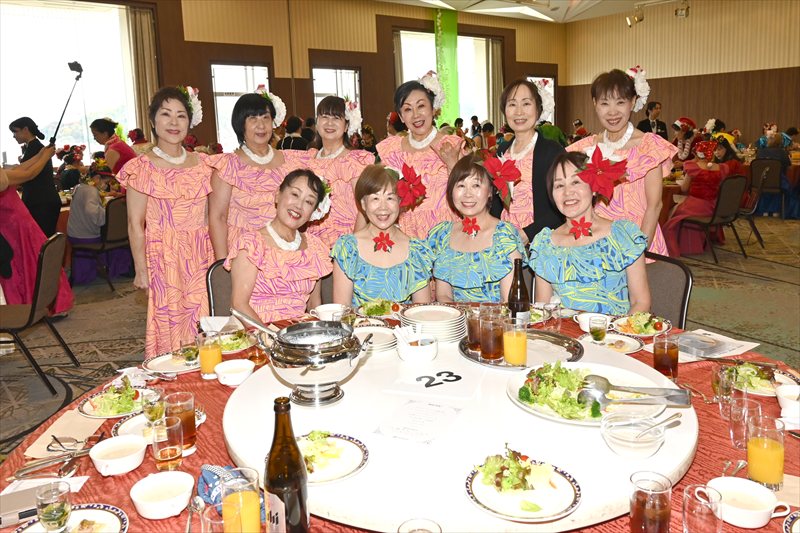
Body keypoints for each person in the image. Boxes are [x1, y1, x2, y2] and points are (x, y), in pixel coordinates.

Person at [118, 86, 214, 357]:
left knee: (206, 323)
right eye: (166, 114)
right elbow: (135, 223)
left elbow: (212, 216)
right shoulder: (141, 168)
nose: (174, 122)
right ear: (153, 120)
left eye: (181, 115)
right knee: (171, 325)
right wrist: (141, 270)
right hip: (165, 256)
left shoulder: (205, 164)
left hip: (201, 254)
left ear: (189, 122)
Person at [567, 68, 677, 256]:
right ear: (595, 104)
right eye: (604, 103)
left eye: (620, 102)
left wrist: (638, 253)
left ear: (633, 102)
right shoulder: (583, 149)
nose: (612, 112)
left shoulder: (649, 147)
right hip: (593, 241)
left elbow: (654, 206)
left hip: (638, 239)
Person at [530, 151, 650, 315]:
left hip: (616, 329)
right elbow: (543, 311)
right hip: (563, 330)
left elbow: (641, 302)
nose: (567, 192)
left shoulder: (623, 235)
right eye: (559, 185)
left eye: (576, 182)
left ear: (594, 188)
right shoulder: (545, 244)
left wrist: (618, 331)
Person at [208, 90, 307, 259]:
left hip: (285, 252)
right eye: (253, 118)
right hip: (244, 256)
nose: (261, 125)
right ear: (241, 124)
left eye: (265, 118)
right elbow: (218, 218)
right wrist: (221, 264)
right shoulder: (228, 166)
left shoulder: (291, 162)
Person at [227, 169, 332, 325]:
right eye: (295, 194)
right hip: (257, 332)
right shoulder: (251, 244)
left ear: (313, 211)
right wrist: (272, 337)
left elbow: (313, 306)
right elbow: (239, 305)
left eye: (309, 202)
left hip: (298, 333)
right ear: (278, 194)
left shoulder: (315, 248)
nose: (299, 205)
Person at [376, 71, 466, 239]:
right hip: (405, 235)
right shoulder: (392, 150)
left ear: (433, 108)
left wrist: (452, 164)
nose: (416, 115)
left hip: (447, 235)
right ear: (401, 117)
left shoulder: (451, 146)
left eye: (421, 106)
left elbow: (469, 193)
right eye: (407, 109)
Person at [428, 153, 525, 303]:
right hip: (454, 317)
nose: (468, 194)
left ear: (490, 191)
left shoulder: (504, 236)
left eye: (476, 185)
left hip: (496, 317)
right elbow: (443, 296)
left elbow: (508, 301)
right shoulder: (443, 235)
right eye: (461, 185)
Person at [332, 165, 432, 306]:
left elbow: (421, 311)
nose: (383, 207)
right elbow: (342, 310)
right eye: (375, 199)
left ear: (400, 202)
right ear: (363, 204)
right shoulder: (347, 249)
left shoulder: (417, 251)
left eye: (390, 198)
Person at [0, 144, 74, 315]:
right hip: (14, 227)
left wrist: (41, 154)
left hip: (18, 224)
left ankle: (42, 304)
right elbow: (28, 174)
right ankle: (38, 306)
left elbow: (19, 169)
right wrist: (45, 157)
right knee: (31, 263)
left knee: (33, 262)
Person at [492, 78, 565, 245]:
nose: (519, 112)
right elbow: (496, 204)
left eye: (526, 104)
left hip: (540, 244)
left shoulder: (552, 151)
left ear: (538, 109)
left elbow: (563, 203)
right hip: (504, 243)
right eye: (512, 104)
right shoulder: (502, 151)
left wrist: (528, 234)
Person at [305, 96, 375, 248]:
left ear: (346, 126)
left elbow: (365, 207)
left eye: (336, 118)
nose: (329, 123)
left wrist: (351, 247)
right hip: (312, 244)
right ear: (317, 123)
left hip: (346, 243)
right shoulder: (308, 159)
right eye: (324, 117)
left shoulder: (354, 161)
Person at [663, 138, 744, 257]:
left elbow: (684, 189)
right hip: (714, 207)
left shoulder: (693, 167)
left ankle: (677, 244)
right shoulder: (721, 168)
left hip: (697, 206)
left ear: (697, 154)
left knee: (673, 211)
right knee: (679, 207)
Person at [66, 162, 132, 283]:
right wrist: (106, 213)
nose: (105, 185)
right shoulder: (91, 191)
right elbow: (93, 213)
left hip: (75, 233)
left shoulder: (81, 187)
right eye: (105, 182)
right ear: (97, 178)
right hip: (85, 236)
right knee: (117, 238)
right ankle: (121, 269)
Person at [8, 117, 61, 236]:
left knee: (42, 239)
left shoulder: (35, 148)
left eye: (15, 131)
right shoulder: (35, 148)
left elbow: (29, 174)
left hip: (41, 202)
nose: (14, 136)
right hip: (40, 200)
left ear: (25, 129)